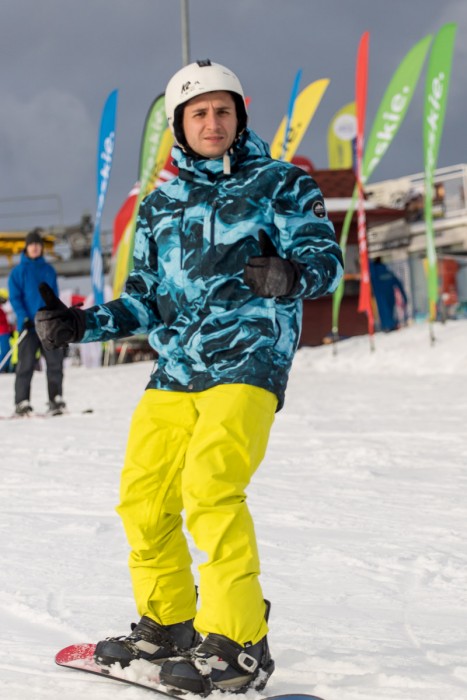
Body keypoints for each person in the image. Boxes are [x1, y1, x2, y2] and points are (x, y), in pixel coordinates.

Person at [35, 60, 344, 694]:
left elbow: (325, 260)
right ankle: (170, 624)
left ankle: (239, 643)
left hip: (250, 357)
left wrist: (292, 274)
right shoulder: (160, 206)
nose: (212, 122)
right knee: (144, 497)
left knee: (210, 488)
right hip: (178, 366)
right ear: (179, 125)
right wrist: (82, 324)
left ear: (240, 116)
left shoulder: (280, 183)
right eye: (199, 113)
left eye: (223, 110)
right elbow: (146, 300)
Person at [8, 228, 66, 415]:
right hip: (29, 326)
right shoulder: (18, 272)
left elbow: (54, 296)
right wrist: (24, 317)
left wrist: (58, 316)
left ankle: (56, 399)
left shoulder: (49, 270)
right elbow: (15, 298)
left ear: (41, 248)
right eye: (32, 244)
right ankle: (22, 402)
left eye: (38, 244)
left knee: (55, 363)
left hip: (49, 326)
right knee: (25, 365)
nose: (35, 247)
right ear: (26, 247)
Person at [370, 257, 408, 332]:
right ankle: (391, 325)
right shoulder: (388, 271)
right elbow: (398, 283)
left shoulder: (374, 272)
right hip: (390, 294)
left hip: (380, 295)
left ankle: (387, 326)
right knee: (390, 310)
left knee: (384, 311)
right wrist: (404, 296)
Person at [0, 288, 12, 372]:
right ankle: (3, 367)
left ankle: (5, 367)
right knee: (5, 351)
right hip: (2, 332)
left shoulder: (2, 309)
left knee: (6, 351)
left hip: (5, 332)